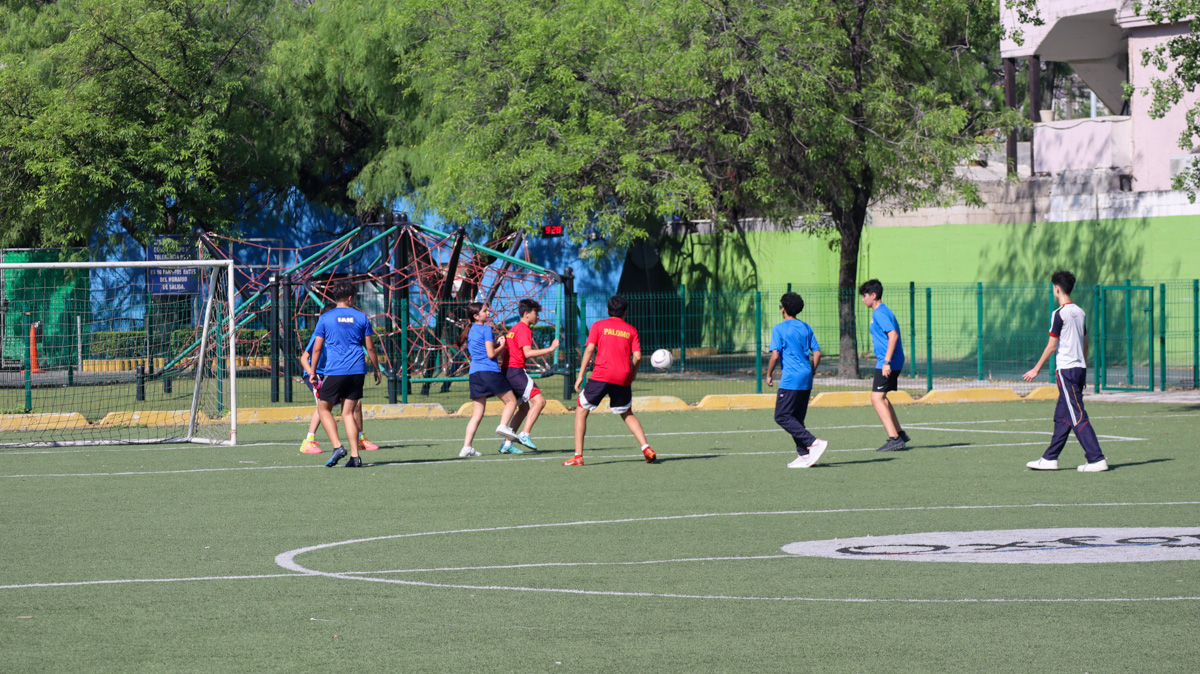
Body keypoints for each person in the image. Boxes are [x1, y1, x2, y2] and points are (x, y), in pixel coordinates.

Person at [1022, 270, 1109, 472]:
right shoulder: (1080, 312)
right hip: (1078, 368)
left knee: (1077, 415)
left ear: (1057, 289)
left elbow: (1052, 346)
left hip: (1066, 371)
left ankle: (1096, 458)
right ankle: (1050, 458)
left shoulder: (1059, 313)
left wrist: (1036, 368)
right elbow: (1085, 343)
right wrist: (1083, 366)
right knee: (1063, 415)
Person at [566, 294, 655, 466]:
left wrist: (580, 375)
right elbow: (637, 356)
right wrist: (633, 373)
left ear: (607, 310)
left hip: (601, 375)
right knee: (627, 412)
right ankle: (646, 448)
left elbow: (589, 350)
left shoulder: (598, 326)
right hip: (623, 377)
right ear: (625, 312)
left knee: (581, 410)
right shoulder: (631, 330)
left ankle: (578, 457)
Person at [305, 280, 382, 468]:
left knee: (323, 409)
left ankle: (337, 446)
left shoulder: (326, 318)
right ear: (350, 297)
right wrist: (377, 369)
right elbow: (370, 347)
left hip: (335, 370)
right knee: (348, 412)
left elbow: (317, 349)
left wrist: (312, 372)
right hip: (358, 371)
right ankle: (355, 456)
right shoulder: (362, 317)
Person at [765, 292, 827, 468]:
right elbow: (817, 353)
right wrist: (812, 371)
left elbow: (775, 355)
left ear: (783, 309)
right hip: (806, 377)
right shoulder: (805, 327)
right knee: (797, 418)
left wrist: (768, 374)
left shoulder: (779, 328)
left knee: (781, 416)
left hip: (791, 379)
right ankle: (804, 455)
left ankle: (813, 442)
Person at [299, 326, 379, 455]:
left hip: (334, 373)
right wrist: (312, 374)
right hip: (317, 374)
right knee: (324, 406)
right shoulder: (320, 334)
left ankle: (360, 440)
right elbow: (304, 358)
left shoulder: (343, 334)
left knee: (356, 404)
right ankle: (308, 441)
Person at [458, 301, 521, 458]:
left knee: (477, 414)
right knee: (512, 401)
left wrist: (496, 343)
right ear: (476, 315)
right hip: (489, 372)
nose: (488, 313)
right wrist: (503, 345)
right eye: (485, 311)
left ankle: (466, 447)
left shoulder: (470, 330)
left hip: (475, 374)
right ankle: (503, 426)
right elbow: (491, 354)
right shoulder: (486, 329)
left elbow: (483, 350)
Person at [499, 298, 561, 454]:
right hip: (516, 371)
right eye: (536, 313)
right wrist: (550, 349)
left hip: (507, 372)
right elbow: (527, 353)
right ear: (526, 314)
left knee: (524, 408)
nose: (538, 316)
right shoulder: (524, 329)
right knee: (540, 401)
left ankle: (507, 444)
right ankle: (525, 434)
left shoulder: (514, 329)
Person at [859, 279, 911, 452]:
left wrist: (886, 362)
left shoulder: (880, 313)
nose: (863, 299)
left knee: (876, 398)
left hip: (888, 361)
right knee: (882, 397)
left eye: (864, 296)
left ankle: (894, 439)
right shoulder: (882, 311)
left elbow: (893, 335)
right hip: (888, 360)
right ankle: (899, 434)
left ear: (873, 295)